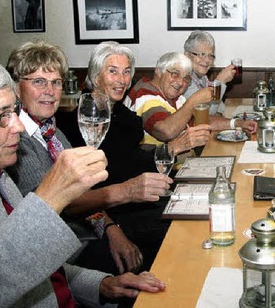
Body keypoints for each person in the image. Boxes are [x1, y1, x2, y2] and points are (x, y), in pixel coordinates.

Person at [0, 56, 165, 307]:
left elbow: (35, 270)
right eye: (1, 116)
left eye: (14, 111)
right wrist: (48, 200)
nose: (17, 125)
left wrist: (101, 285)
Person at [5, 41, 170, 277]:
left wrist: (111, 228)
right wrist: (125, 193)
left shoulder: (53, 132)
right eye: (39, 82)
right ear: (16, 88)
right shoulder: (16, 140)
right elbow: (55, 204)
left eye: (56, 82)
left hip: (89, 231)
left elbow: (81, 192)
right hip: (61, 252)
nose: (50, 91)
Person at [56, 42, 191, 276]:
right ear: (95, 76)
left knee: (193, 206)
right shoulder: (78, 122)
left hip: (135, 202)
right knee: (183, 233)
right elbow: (80, 194)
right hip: (112, 213)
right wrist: (112, 229)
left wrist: (170, 153)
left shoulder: (123, 115)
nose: (121, 79)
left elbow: (132, 162)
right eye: (113, 71)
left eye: (127, 71)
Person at [127, 52, 256, 146]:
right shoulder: (145, 94)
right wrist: (194, 100)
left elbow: (200, 121)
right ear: (159, 72)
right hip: (159, 172)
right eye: (175, 74)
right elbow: (165, 131)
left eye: (186, 78)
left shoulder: (174, 96)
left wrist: (237, 123)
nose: (180, 82)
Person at [182, 30, 233, 116]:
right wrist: (220, 82)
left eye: (210, 55)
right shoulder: (185, 79)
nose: (207, 60)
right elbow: (206, 114)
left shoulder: (202, 77)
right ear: (187, 55)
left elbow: (220, 106)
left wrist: (217, 112)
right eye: (201, 54)